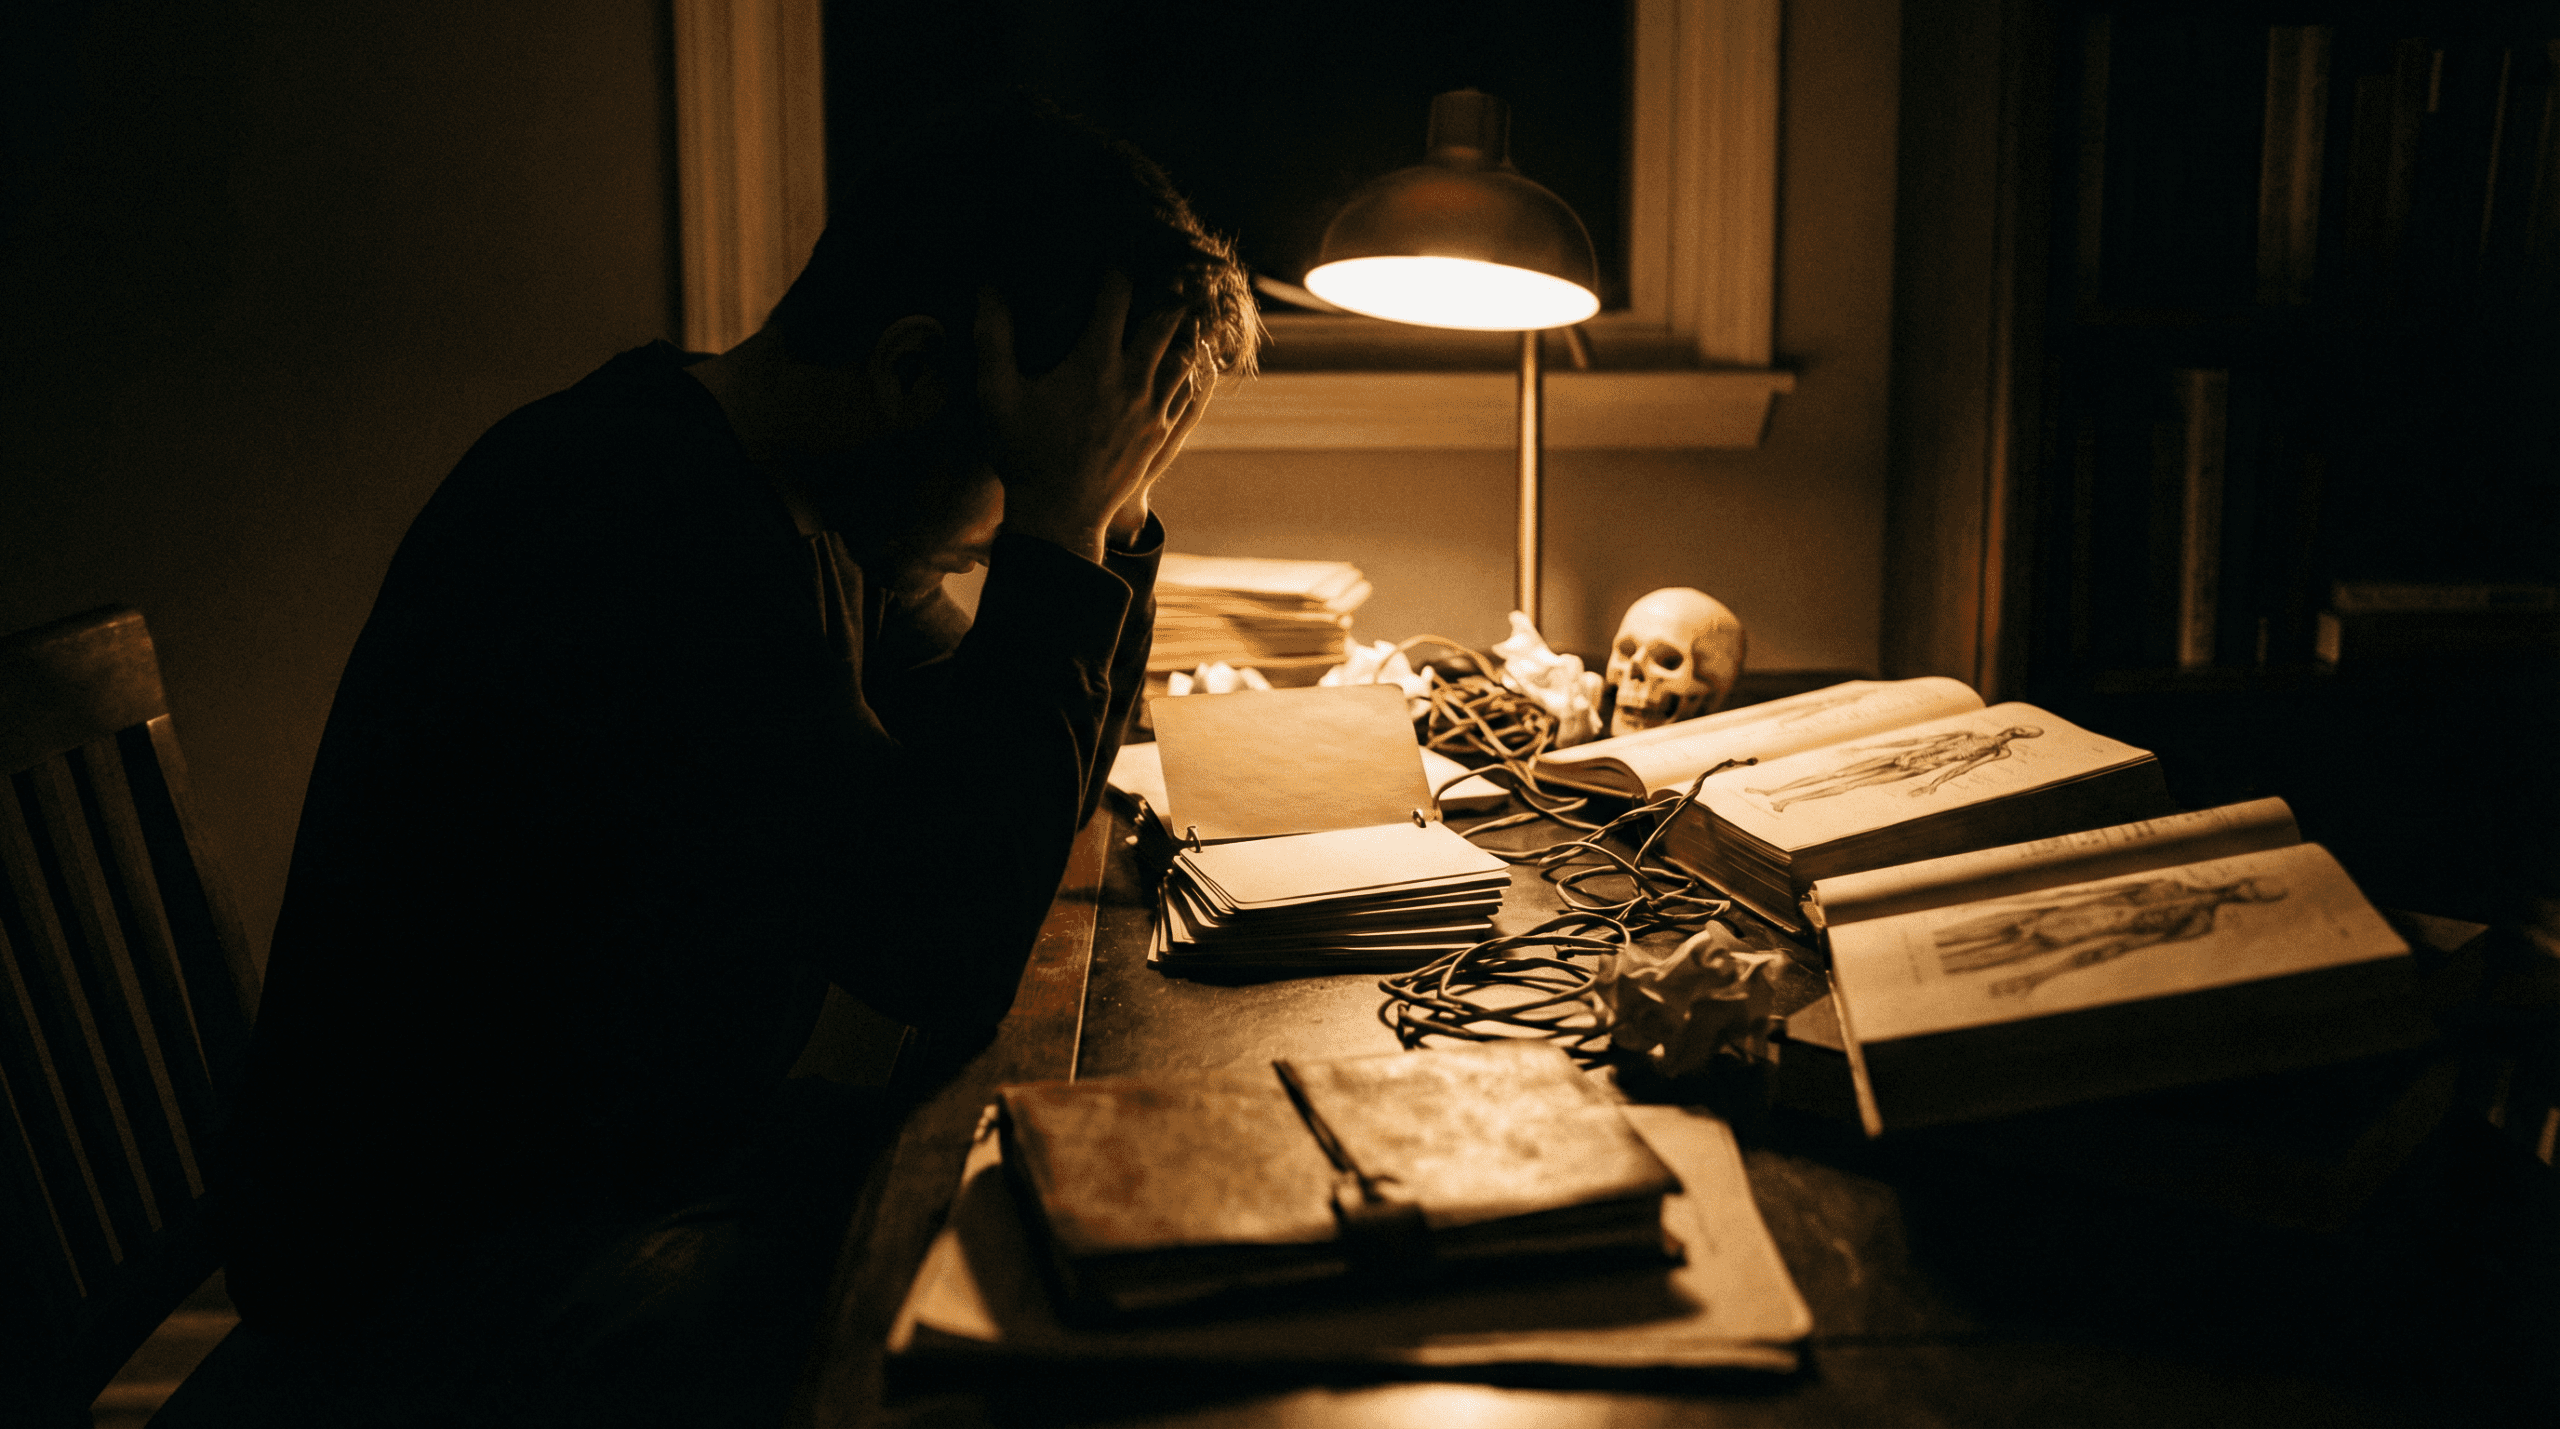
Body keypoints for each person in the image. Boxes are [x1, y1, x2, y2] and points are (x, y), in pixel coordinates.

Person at [206, 93, 1257, 1423]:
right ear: (916, 374)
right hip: (448, 1271)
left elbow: (973, 803)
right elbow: (940, 946)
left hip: (616, 1167)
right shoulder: (634, 524)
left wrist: (1104, 521)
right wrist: (1062, 533)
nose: (981, 555)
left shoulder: (778, 490)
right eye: (1001, 518)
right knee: (1044, 1347)